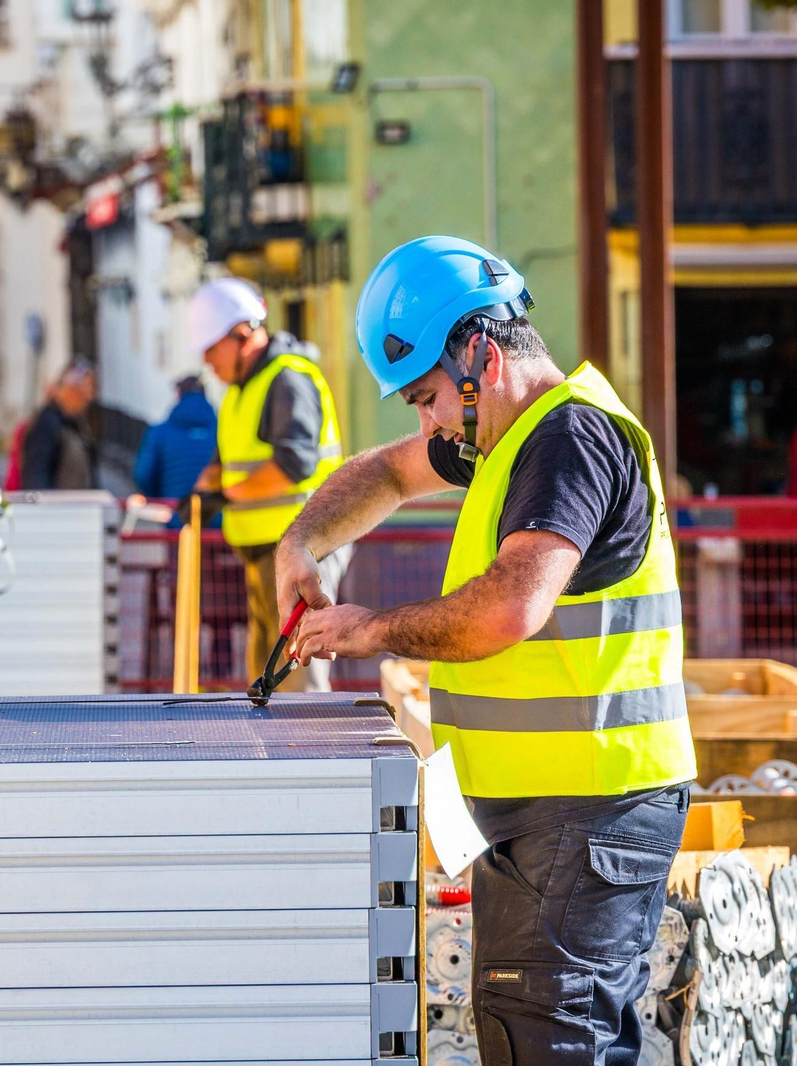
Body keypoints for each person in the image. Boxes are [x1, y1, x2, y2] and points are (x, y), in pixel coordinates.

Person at [276, 236, 696, 1065]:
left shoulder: (570, 441)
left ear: (482, 356)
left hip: (591, 807)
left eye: (427, 397)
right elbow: (388, 474)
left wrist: (365, 629)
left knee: (551, 1044)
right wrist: (303, 542)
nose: (428, 421)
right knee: (527, 1035)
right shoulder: (506, 439)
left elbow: (511, 608)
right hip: (554, 812)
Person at [186, 276, 347, 691]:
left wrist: (227, 494)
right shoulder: (242, 390)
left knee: (297, 682)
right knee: (266, 682)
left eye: (211, 349)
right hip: (268, 557)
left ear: (242, 334)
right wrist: (210, 481)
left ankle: (315, 757)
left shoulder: (286, 379)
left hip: (302, 553)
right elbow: (232, 462)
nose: (207, 361)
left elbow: (293, 465)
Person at [133, 375, 219, 527]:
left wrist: (158, 498)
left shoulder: (160, 432)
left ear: (178, 395)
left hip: (176, 516)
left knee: (181, 551)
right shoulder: (222, 430)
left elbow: (143, 473)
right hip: (216, 518)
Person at [20, 362, 97, 490]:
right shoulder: (48, 422)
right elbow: (36, 474)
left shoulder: (76, 422)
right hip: (58, 506)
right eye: (84, 391)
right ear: (69, 390)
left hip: (77, 505)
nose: (90, 398)